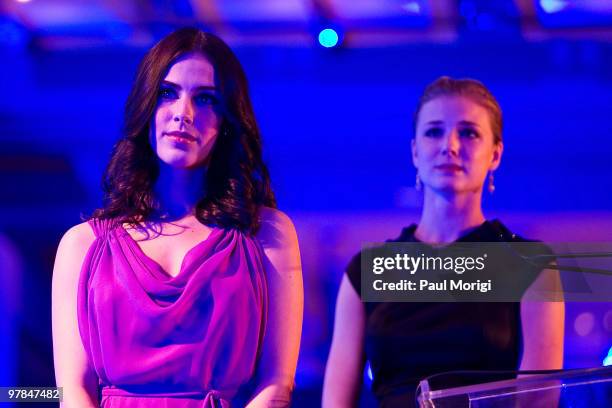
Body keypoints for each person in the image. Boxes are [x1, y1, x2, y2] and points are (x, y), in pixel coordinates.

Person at [52, 27, 303, 408]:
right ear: (146, 105)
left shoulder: (266, 234)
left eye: (206, 99)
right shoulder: (82, 245)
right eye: (168, 93)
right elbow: (72, 390)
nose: (183, 114)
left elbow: (276, 384)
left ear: (227, 121)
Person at [322, 77, 564, 407]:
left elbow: (539, 401)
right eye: (434, 131)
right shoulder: (366, 270)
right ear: (415, 152)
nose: (449, 145)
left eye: (469, 132)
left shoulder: (531, 265)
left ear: (495, 154)